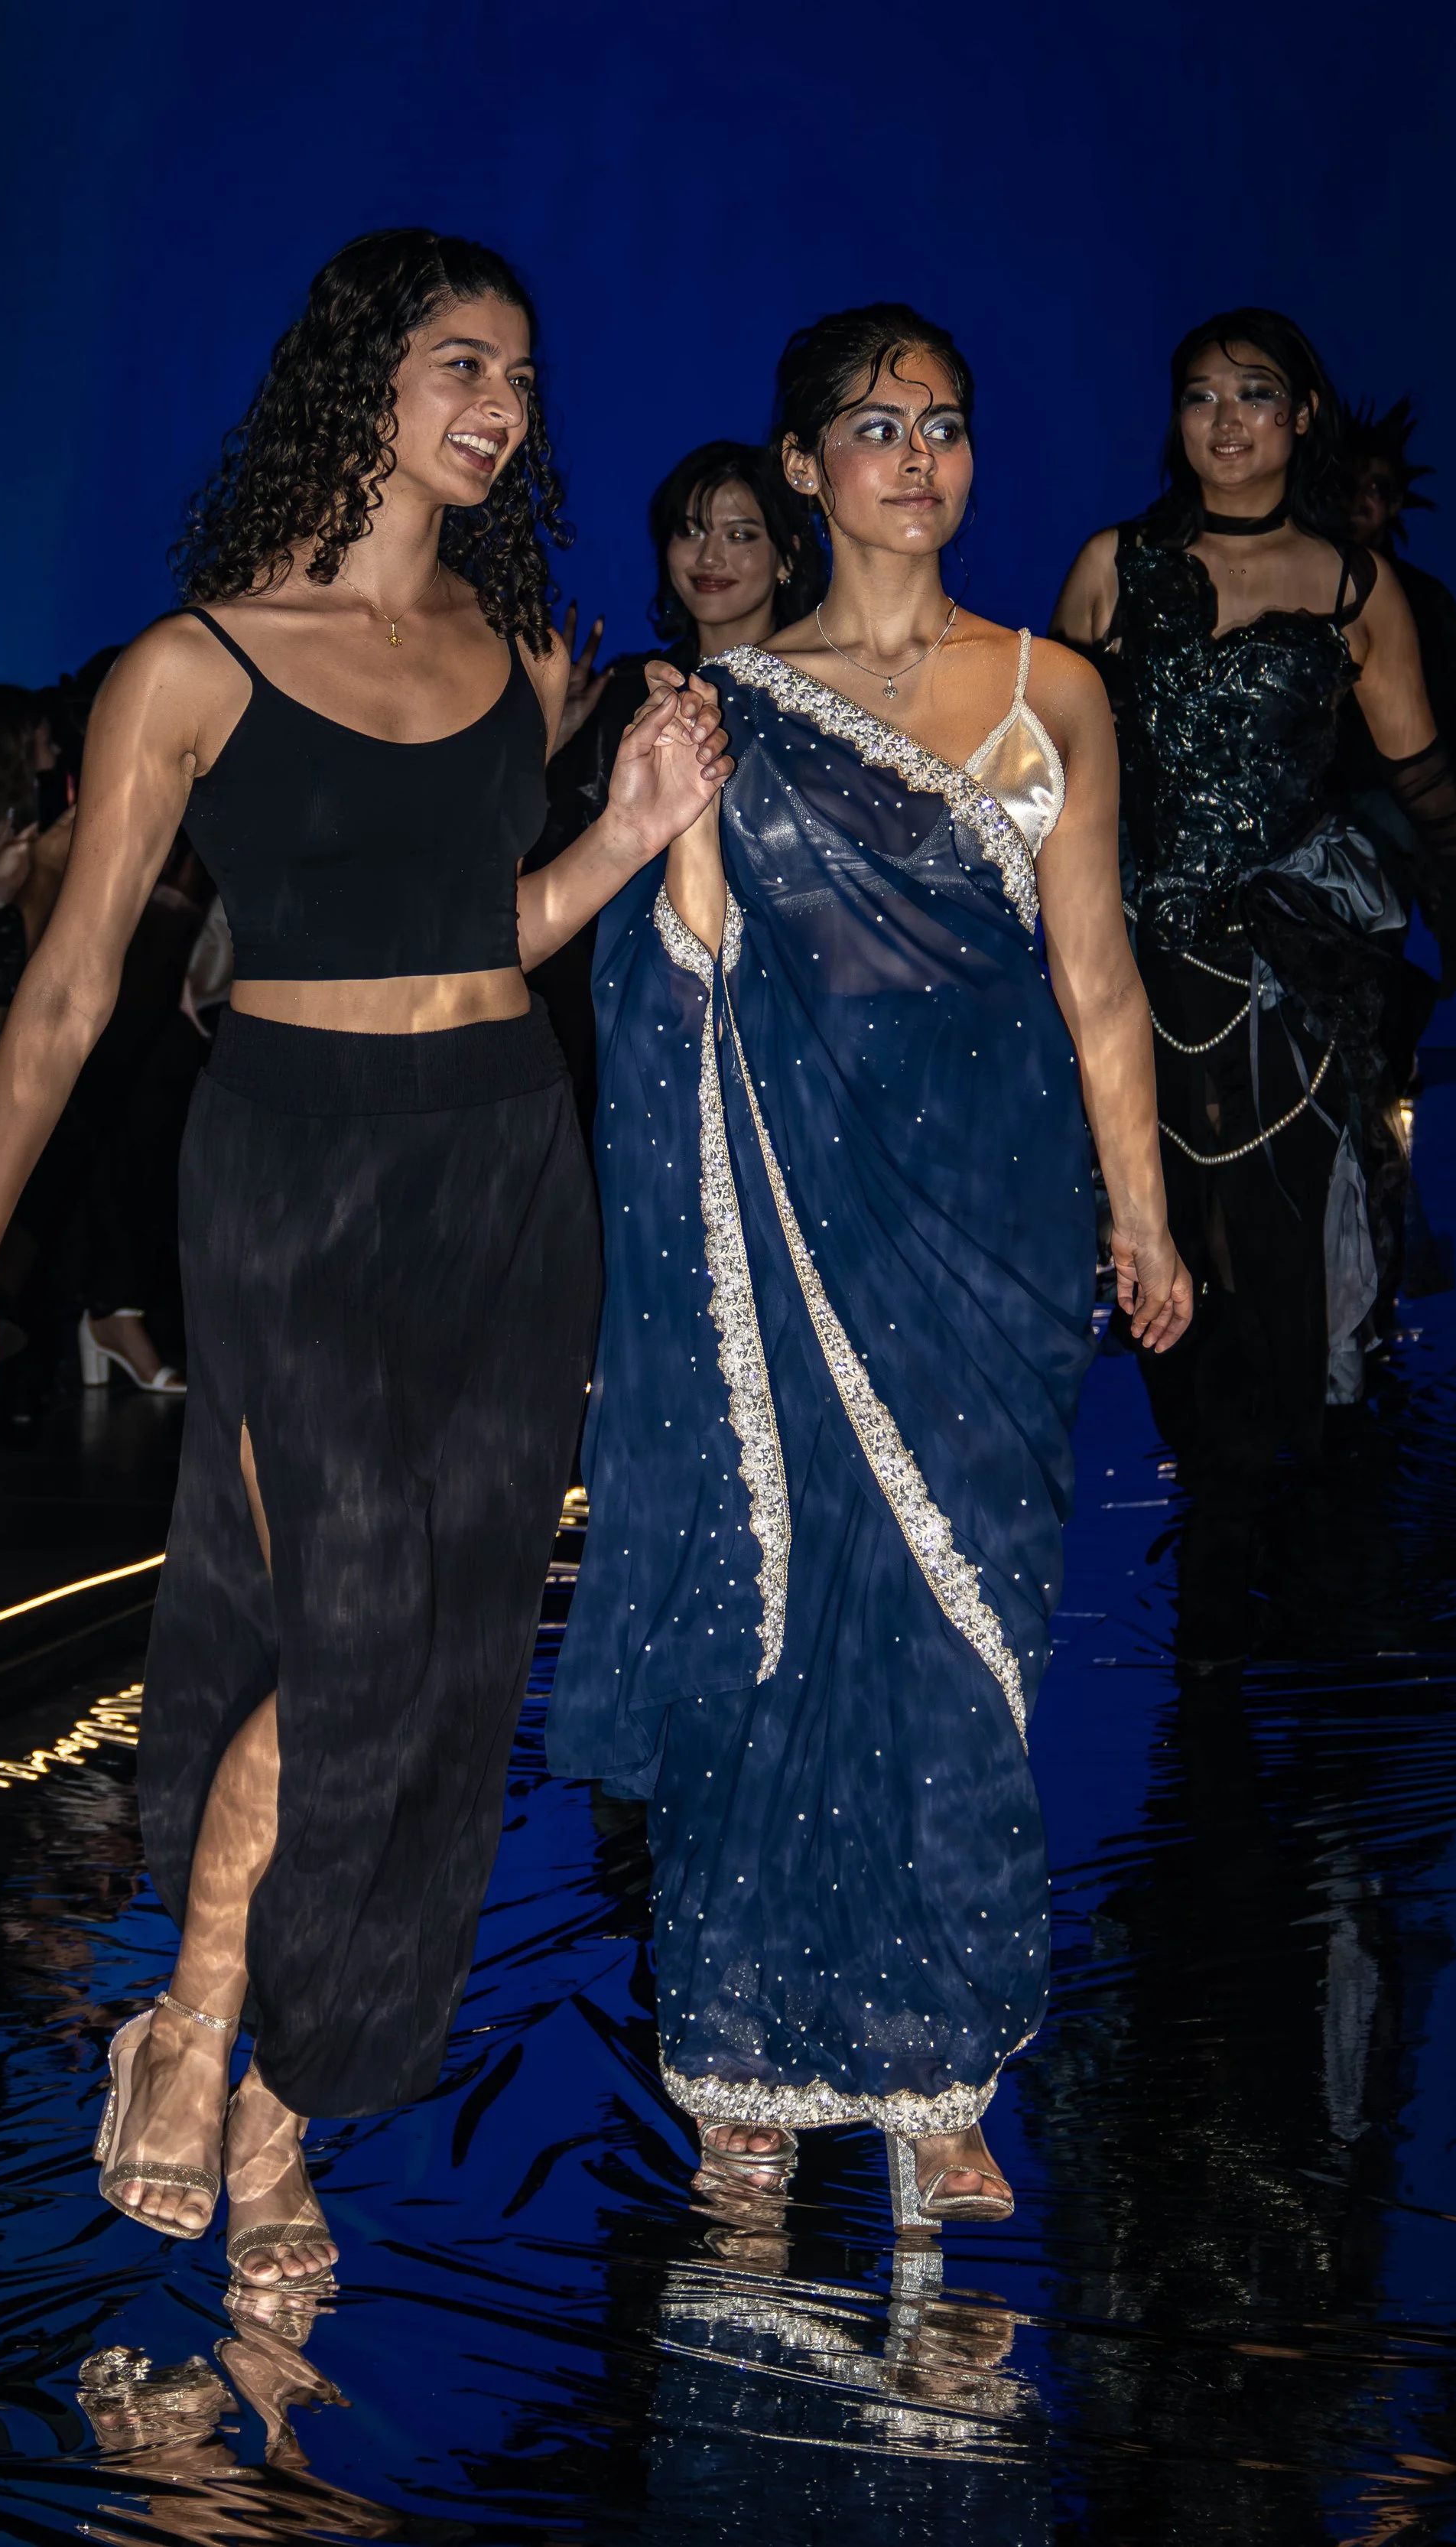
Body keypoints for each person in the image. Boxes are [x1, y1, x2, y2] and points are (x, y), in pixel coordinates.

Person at [0, 229, 729, 2297]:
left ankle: (276, 2111)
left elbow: (492, 940)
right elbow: (71, 989)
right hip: (290, 1180)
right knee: (351, 1632)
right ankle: (188, 2020)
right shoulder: (190, 666)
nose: (501, 408)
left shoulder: (518, 649)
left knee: (437, 1673)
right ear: (359, 380)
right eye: (463, 364)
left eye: (524, 381)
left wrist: (623, 836)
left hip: (504, 1185)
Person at [548, 304, 1188, 2233]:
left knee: (957, 1650)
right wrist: (663, 847)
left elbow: (1097, 984)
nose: (920, 456)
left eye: (949, 424)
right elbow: (685, 976)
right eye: (877, 426)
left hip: (987, 1245)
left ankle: (937, 2070)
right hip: (796, 1232)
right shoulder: (733, 703)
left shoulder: (1050, 688)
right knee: (780, 1602)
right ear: (806, 465)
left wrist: (1142, 1211)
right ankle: (746, 2064)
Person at [1053, 311, 1456, 1661]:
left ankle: (1240, 1679)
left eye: (1254, 396)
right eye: (1200, 396)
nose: (1225, 421)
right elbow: (1048, 789)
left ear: (1301, 416)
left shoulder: (1353, 588)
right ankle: (1225, 1658)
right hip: (1137, 993)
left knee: (1284, 1329)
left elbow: (1429, 786)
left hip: (1285, 988)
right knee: (1166, 1320)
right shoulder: (1114, 565)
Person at [531, 443, 822, 1130]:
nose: (709, 556)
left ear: (786, 556)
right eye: (689, 531)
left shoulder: (822, 703)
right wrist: (541, 744)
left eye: (740, 535)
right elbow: (549, 859)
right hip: (616, 1009)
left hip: (778, 1015)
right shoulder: (624, 691)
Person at [1334, 396, 1456, 1030]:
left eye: (1379, 488)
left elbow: (1447, 763)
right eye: (1350, 482)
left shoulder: (1424, 604)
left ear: (1395, 504)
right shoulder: (1282, 583)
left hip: (1384, 844)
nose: (1362, 498)